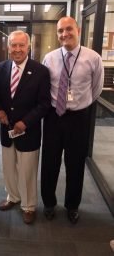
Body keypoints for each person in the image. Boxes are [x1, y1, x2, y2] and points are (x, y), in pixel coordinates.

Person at [41, 16, 104, 224]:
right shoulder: (49, 58)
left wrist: (79, 104)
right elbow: (44, 87)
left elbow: (96, 89)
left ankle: (72, 205)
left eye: (68, 29)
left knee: (75, 164)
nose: (64, 34)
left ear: (78, 30)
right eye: (60, 31)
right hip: (53, 117)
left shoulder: (93, 58)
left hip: (78, 118)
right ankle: (49, 203)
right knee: (50, 162)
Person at [0, 30, 51, 224]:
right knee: (9, 167)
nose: (17, 49)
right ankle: (13, 197)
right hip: (6, 129)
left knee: (27, 170)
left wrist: (25, 122)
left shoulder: (41, 71)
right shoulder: (0, 68)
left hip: (29, 130)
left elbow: (44, 104)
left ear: (28, 47)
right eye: (13, 45)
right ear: (8, 47)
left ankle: (28, 205)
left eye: (21, 45)